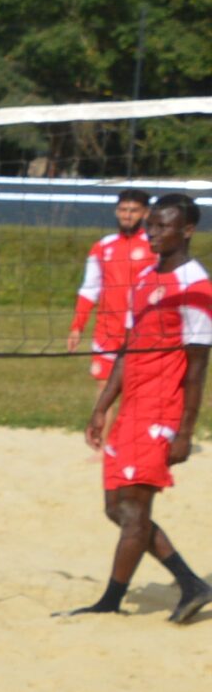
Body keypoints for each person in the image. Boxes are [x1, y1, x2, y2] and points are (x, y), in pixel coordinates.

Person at [65, 194, 211, 624]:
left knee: (133, 511)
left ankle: (111, 602)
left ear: (187, 230)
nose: (152, 233)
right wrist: (102, 407)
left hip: (162, 408)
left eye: (163, 226)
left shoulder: (196, 284)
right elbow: (128, 350)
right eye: (151, 225)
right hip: (132, 405)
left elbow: (198, 368)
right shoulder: (146, 277)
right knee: (116, 508)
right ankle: (192, 584)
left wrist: (185, 431)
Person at [68, 189, 156, 394]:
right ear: (116, 211)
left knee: (137, 393)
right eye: (123, 210)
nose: (127, 215)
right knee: (104, 390)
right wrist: (77, 327)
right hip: (107, 331)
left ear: (145, 214)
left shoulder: (155, 247)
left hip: (143, 332)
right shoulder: (102, 246)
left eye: (133, 211)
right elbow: (90, 289)